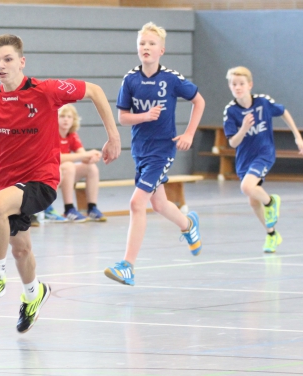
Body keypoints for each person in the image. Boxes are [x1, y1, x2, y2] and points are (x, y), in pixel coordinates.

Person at [0, 34, 120, 333]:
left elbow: (95, 90)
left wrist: (113, 136)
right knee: (21, 251)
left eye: (7, 59)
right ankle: (34, 294)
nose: (1, 66)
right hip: (6, 184)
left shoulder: (45, 90)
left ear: (22, 61)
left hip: (41, 181)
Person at [104, 22, 205, 287]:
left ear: (161, 49)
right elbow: (123, 118)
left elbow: (199, 101)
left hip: (163, 149)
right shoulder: (131, 80)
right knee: (159, 204)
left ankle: (128, 266)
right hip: (141, 150)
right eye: (141, 43)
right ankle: (188, 224)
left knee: (137, 203)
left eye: (150, 43)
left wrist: (189, 134)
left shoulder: (171, 79)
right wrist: (144, 116)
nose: (145, 48)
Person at [223, 66, 303, 253]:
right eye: (233, 84)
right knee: (252, 200)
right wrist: (243, 128)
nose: (238, 87)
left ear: (249, 85)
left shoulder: (263, 102)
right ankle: (272, 235)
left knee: (246, 187)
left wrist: (297, 136)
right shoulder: (230, 111)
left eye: (241, 84)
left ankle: (271, 202)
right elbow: (233, 143)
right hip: (244, 158)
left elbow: (283, 112)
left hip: (264, 153)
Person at [45, 104, 106, 223]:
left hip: (64, 173)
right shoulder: (51, 133)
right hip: (48, 174)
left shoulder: (72, 135)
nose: (66, 119)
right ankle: (69, 209)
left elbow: (83, 156)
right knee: (69, 166)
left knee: (91, 168)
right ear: (55, 118)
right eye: (62, 116)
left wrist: (92, 157)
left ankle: (92, 208)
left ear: (74, 120)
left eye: (69, 117)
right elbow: (56, 158)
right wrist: (85, 155)